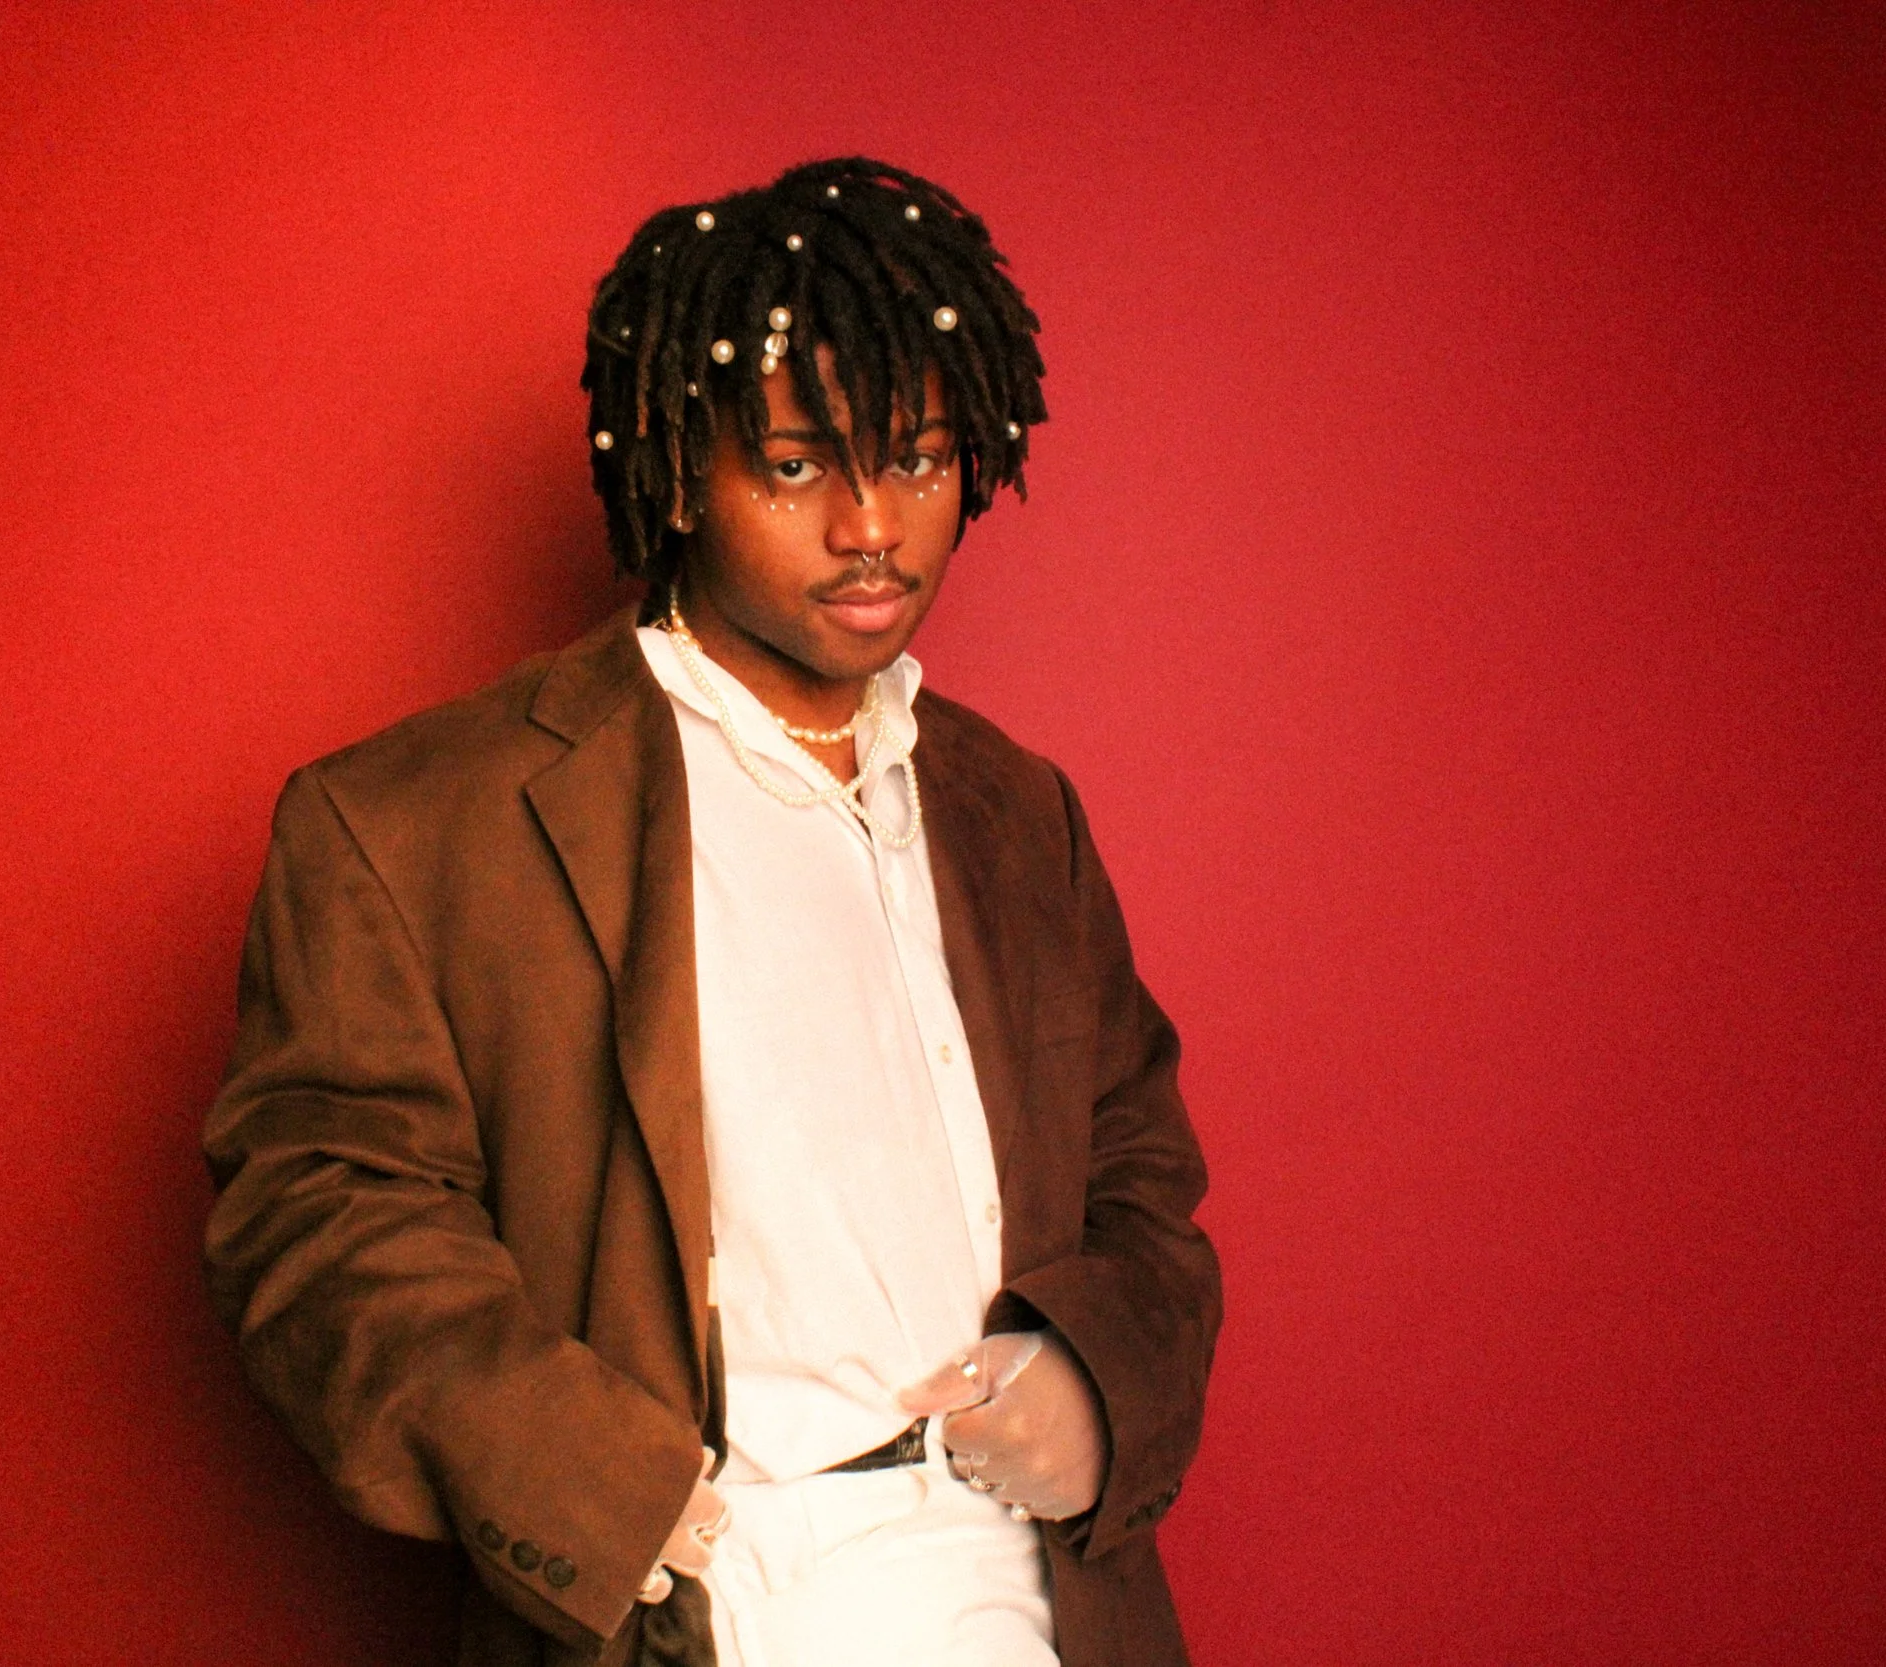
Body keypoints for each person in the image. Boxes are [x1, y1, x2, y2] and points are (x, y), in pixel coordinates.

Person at [203, 157, 1221, 1667]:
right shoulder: (410, 823)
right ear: (681, 473)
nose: (873, 526)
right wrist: (585, 1483)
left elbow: (1139, 1168)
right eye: (799, 468)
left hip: (1039, 1595)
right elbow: (319, 1212)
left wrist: (1101, 1374)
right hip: (701, 1600)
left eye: (919, 460)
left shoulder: (1018, 813)